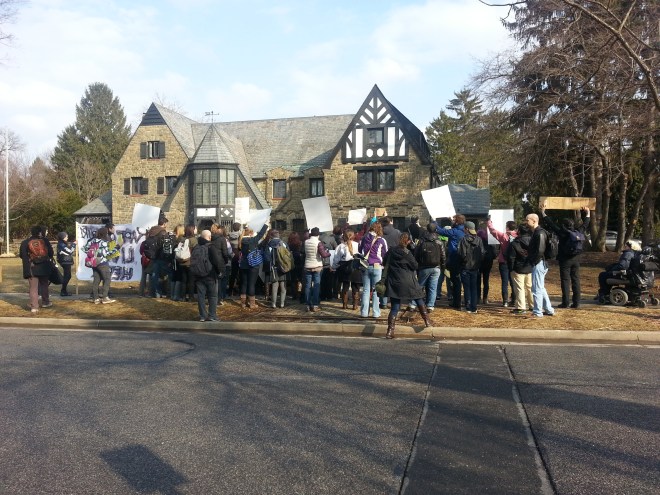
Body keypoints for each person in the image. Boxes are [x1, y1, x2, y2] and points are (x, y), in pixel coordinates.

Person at [541, 205, 591, 308]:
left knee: (565, 281)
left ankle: (566, 302)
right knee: (576, 280)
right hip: (576, 258)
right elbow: (585, 224)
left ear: (563, 225)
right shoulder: (578, 231)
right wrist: (588, 213)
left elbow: (551, 224)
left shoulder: (561, 232)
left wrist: (543, 212)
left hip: (565, 260)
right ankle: (576, 303)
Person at [383, 233, 432, 339]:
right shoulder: (407, 253)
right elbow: (415, 266)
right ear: (408, 241)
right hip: (408, 280)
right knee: (418, 297)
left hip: (394, 280)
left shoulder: (391, 251)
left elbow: (384, 261)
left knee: (395, 307)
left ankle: (390, 331)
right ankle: (427, 320)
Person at [409, 222, 446, 313]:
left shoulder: (422, 241)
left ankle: (413, 304)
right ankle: (430, 306)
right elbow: (443, 256)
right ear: (436, 230)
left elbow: (416, 254)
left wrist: (417, 265)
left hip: (424, 267)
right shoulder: (439, 241)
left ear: (427, 229)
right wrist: (443, 267)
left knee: (419, 286)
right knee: (433, 287)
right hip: (436, 267)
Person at [20, 226, 54, 314]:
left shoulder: (25, 242)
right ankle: (46, 302)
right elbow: (51, 253)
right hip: (44, 266)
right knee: (44, 285)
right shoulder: (45, 241)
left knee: (33, 288)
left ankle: (34, 307)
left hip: (32, 267)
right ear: (40, 232)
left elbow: (22, 255)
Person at [526, 212, 555, 318]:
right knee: (541, 288)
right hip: (541, 263)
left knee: (536, 289)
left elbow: (540, 250)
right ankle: (549, 309)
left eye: (527, 220)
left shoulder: (539, 233)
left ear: (534, 221)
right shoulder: (537, 232)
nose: (526, 222)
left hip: (539, 263)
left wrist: (533, 261)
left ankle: (538, 312)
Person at [436, 214, 466, 310]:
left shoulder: (455, 232)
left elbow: (441, 231)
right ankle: (465, 301)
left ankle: (456, 302)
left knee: (455, 281)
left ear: (457, 221)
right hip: (464, 259)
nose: (452, 221)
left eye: (453, 220)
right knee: (462, 281)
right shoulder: (465, 230)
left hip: (454, 259)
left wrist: (434, 220)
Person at [193, 229, 224, 322]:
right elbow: (216, 261)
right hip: (210, 275)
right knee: (213, 296)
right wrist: (219, 272)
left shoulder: (196, 247)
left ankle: (202, 316)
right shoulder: (211, 247)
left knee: (201, 296)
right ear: (209, 237)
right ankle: (212, 315)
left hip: (198, 275)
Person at [359, 220, 388, 318]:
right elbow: (385, 254)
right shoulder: (381, 240)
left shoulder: (364, 238)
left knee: (366, 290)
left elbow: (360, 250)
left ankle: (364, 312)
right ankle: (376, 313)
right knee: (376, 291)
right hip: (377, 266)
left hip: (366, 265)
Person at [487, 218, 518, 307]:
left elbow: (493, 231)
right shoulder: (517, 236)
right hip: (514, 261)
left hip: (503, 261)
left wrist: (489, 222)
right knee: (513, 281)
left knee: (504, 282)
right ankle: (514, 299)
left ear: (507, 227)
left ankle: (505, 301)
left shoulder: (503, 236)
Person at [83, 227, 119, 305]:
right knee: (107, 279)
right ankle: (105, 297)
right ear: (105, 234)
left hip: (93, 263)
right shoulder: (104, 242)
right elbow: (106, 254)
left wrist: (93, 255)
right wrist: (117, 248)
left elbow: (84, 248)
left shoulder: (92, 240)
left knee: (96, 280)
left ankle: (96, 298)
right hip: (102, 263)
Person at [456, 221, 485, 314]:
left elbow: (460, 253)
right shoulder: (479, 239)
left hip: (465, 267)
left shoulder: (463, 239)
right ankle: (474, 307)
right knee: (474, 287)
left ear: (467, 229)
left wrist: (463, 262)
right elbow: (482, 253)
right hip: (475, 267)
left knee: (467, 288)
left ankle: (468, 307)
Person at [239, 224, 268, 309]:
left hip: (243, 264)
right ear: (251, 233)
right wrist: (265, 224)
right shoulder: (253, 240)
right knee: (252, 284)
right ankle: (252, 304)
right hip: (253, 265)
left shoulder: (241, 240)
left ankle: (243, 303)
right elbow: (261, 234)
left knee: (244, 283)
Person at [507, 224, 534, 315]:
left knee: (519, 288)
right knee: (530, 287)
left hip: (518, 268)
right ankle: (532, 305)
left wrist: (511, 268)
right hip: (530, 267)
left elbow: (511, 257)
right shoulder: (532, 240)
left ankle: (521, 307)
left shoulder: (515, 243)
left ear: (519, 231)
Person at [331, 229, 361, 309]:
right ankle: (355, 305)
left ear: (344, 236)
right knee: (356, 287)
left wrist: (334, 267)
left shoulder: (340, 246)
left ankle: (344, 304)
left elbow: (336, 259)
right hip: (356, 267)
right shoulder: (358, 245)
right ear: (353, 236)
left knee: (345, 286)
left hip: (344, 267)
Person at [303, 227, 331, 312]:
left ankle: (307, 305)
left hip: (307, 266)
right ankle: (315, 305)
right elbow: (323, 255)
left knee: (307, 286)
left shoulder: (306, 242)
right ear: (318, 234)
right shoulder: (319, 243)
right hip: (317, 266)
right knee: (316, 286)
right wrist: (328, 253)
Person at [146, 216, 173, 298]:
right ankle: (168, 293)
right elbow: (167, 247)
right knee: (169, 275)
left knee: (155, 276)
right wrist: (169, 257)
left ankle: (156, 293)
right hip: (162, 258)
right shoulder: (163, 233)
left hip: (153, 257)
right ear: (164, 223)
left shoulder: (151, 232)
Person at [264, 230, 290, 308]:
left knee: (275, 286)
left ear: (271, 236)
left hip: (274, 268)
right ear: (278, 235)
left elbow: (267, 258)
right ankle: (282, 303)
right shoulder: (284, 244)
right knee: (283, 286)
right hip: (283, 267)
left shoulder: (269, 245)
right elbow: (288, 254)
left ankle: (273, 304)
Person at [210, 224, 231, 305]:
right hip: (220, 262)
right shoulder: (222, 239)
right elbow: (225, 253)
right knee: (220, 280)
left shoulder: (209, 238)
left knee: (213, 281)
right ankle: (220, 298)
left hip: (211, 262)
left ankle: (212, 298)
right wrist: (226, 261)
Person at [477, 223, 496, 305]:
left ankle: (478, 297)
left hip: (478, 262)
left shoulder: (477, 242)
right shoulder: (491, 242)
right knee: (486, 280)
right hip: (488, 262)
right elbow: (494, 254)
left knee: (477, 280)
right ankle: (485, 298)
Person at [319, 229, 338, 301]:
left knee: (322, 280)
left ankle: (322, 295)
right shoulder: (331, 238)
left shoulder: (318, 238)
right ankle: (329, 295)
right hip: (329, 261)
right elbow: (336, 248)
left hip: (320, 262)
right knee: (329, 280)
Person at [57, 231, 76, 296]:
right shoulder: (61, 244)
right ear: (63, 237)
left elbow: (68, 245)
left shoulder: (63, 243)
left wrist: (72, 243)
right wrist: (74, 244)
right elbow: (69, 251)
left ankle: (64, 290)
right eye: (66, 236)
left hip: (66, 261)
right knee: (67, 276)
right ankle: (63, 291)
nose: (67, 238)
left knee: (67, 276)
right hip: (65, 261)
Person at [287, 231, 305, 303]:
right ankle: (301, 295)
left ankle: (294, 295)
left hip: (292, 264)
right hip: (300, 263)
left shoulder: (289, 244)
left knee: (293, 281)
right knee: (301, 280)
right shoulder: (301, 243)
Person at [170, 224, 186, 301]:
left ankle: (172, 294)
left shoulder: (172, 238)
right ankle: (176, 295)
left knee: (173, 277)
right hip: (179, 260)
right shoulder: (182, 239)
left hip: (172, 260)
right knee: (178, 278)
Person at [227, 222, 243, 297]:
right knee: (239, 273)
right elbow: (240, 245)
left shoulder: (229, 234)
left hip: (231, 253)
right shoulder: (241, 234)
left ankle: (230, 290)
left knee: (232, 274)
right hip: (238, 254)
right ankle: (239, 290)